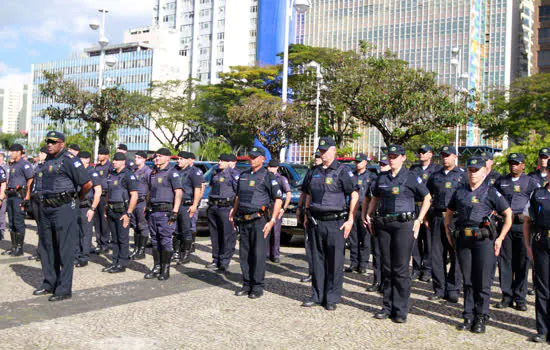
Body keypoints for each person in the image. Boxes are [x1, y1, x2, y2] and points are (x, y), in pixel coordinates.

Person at [366, 145, 431, 323]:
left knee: (401, 268)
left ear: (403, 158)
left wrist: (419, 220)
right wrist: (369, 213)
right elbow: (376, 197)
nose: (392, 159)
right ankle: (387, 306)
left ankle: (400, 310)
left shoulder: (410, 177)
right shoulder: (382, 177)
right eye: (390, 156)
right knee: (386, 267)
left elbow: (427, 197)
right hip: (384, 225)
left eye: (395, 156)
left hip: (404, 225)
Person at [446, 156, 512, 333]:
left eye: (476, 170)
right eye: (470, 170)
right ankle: (468, 315)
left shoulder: (491, 191)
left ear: (485, 171)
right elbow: (449, 213)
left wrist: (499, 239)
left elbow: (508, 214)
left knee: (482, 281)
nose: (473, 173)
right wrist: (448, 233)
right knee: (467, 280)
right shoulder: (460, 191)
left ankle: (481, 316)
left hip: (484, 241)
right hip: (463, 240)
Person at [33, 131, 92, 301]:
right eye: (48, 142)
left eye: (53, 142)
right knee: (46, 247)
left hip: (64, 208)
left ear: (62, 144)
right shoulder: (46, 161)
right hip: (46, 208)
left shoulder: (70, 160)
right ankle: (49, 282)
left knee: (65, 248)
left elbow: (87, 184)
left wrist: (76, 198)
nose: (49, 144)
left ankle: (64, 288)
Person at [301, 137, 358, 311]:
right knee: (317, 260)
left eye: (326, 150)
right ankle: (317, 295)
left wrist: (350, 219)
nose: (322, 154)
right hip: (316, 221)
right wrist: (305, 212)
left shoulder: (342, 171)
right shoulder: (314, 171)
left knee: (335, 261)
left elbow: (354, 194)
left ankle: (332, 297)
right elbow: (309, 193)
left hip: (335, 222)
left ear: (334, 151)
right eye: (321, 151)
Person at [229, 146, 283, 299]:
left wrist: (272, 220)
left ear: (263, 159)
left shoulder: (268, 176)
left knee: (258, 254)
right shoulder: (244, 175)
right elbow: (238, 196)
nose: (251, 159)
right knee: (245, 254)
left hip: (259, 220)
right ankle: (246, 284)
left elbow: (278, 199)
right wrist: (233, 212)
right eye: (250, 157)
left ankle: (257, 286)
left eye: (255, 157)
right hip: (244, 220)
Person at [493, 153, 538, 311]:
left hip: (521, 225)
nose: (513, 165)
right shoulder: (501, 181)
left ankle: (520, 297)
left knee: (522, 261)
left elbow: (537, 200)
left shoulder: (530, 182)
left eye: (517, 163)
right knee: (505, 261)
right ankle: (506, 295)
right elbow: (493, 198)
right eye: (511, 163)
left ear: (523, 165)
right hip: (505, 225)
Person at [425, 146, 466, 303]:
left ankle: (453, 287)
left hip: (456, 219)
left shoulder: (463, 176)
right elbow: (428, 196)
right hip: (437, 217)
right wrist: (426, 217)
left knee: (456, 254)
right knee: (437, 254)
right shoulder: (435, 176)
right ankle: (439, 288)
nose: (445, 158)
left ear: (455, 157)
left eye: (448, 155)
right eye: (443, 155)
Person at [145, 148, 182, 281]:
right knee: (155, 240)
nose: (156, 158)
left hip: (166, 212)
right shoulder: (153, 173)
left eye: (159, 156)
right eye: (156, 156)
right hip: (154, 212)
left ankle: (165, 269)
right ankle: (156, 267)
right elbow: (150, 191)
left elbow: (178, 193)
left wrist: (175, 212)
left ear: (168, 158)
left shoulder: (172, 173)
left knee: (165, 240)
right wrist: (147, 206)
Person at [523, 170, 550, 342]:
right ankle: (543, 329)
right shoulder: (537, 193)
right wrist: (528, 245)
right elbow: (527, 221)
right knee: (543, 287)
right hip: (542, 243)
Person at [409, 144, 441, 281]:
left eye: (424, 152)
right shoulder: (413, 169)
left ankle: (427, 269)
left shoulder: (436, 170)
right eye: (420, 152)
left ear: (431, 154)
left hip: (429, 207)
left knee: (428, 240)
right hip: (415, 207)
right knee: (415, 239)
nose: (421, 154)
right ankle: (416, 268)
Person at [102, 152, 138, 273]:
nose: (114, 162)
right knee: (114, 238)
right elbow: (108, 193)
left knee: (122, 238)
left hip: (122, 210)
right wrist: (106, 209)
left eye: (116, 160)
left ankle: (122, 263)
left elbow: (134, 195)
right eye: (113, 160)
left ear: (123, 162)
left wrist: (128, 213)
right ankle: (114, 262)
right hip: (112, 209)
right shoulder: (111, 174)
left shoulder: (128, 175)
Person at [207, 153, 239, 271]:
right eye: (219, 160)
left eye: (222, 161)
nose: (219, 162)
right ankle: (216, 259)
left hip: (226, 207)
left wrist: (234, 210)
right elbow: (211, 187)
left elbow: (238, 193)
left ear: (228, 162)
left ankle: (224, 261)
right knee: (215, 235)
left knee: (226, 235)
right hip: (214, 207)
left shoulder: (233, 174)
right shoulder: (215, 172)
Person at [296, 151, 323, 283]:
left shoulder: (330, 172)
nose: (317, 159)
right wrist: (299, 208)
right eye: (316, 157)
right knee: (310, 245)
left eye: (319, 156)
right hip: (310, 212)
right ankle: (312, 272)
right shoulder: (311, 172)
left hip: (325, 214)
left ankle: (323, 275)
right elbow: (304, 192)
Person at [346, 153, 375, 274]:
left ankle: (363, 264)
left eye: (360, 161)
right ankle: (354, 262)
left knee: (365, 238)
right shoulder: (351, 175)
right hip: (353, 209)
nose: (357, 164)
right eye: (356, 162)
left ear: (365, 163)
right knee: (353, 238)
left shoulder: (371, 176)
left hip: (365, 207)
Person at [3, 143, 34, 257]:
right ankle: (13, 246)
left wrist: (27, 197)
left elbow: (30, 180)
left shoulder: (24, 164)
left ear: (19, 152)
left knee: (18, 222)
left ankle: (19, 248)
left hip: (19, 196)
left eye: (13, 151)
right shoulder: (13, 165)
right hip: (11, 195)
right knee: (11, 222)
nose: (11, 153)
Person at [173, 151, 203, 265]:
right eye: (178, 158)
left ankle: (186, 254)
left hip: (187, 204)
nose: (178, 161)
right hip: (176, 204)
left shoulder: (193, 172)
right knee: (176, 230)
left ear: (187, 160)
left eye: (181, 159)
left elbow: (197, 189)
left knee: (186, 230)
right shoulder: (175, 170)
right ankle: (176, 252)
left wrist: (195, 205)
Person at [74, 151, 102, 268]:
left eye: (83, 158)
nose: (81, 161)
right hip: (76, 206)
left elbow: (98, 192)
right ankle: (76, 255)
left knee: (86, 233)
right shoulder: (77, 172)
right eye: (79, 158)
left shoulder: (92, 172)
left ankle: (84, 257)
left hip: (87, 206)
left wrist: (93, 208)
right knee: (76, 232)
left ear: (88, 160)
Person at [267, 159, 292, 263]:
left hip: (276, 206)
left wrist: (283, 208)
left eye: (272, 167)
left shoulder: (281, 179)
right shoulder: (265, 178)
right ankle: (266, 253)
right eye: (269, 167)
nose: (269, 169)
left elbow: (288, 193)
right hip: (266, 207)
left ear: (277, 167)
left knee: (275, 232)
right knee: (265, 231)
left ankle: (275, 254)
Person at [129, 151, 151, 260]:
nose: (136, 159)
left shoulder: (147, 172)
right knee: (135, 226)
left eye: (138, 157)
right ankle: (136, 249)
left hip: (142, 201)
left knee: (142, 226)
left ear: (144, 159)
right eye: (135, 157)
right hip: (134, 201)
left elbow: (151, 189)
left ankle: (142, 250)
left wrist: (147, 204)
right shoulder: (133, 171)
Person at [28, 147, 47, 261]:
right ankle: (40, 251)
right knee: (39, 226)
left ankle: (43, 252)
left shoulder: (49, 166)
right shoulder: (36, 166)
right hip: (35, 197)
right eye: (40, 152)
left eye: (43, 153)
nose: (40, 154)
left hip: (44, 198)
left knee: (44, 226)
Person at [94, 146, 112, 254]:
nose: (99, 156)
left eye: (101, 154)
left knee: (104, 221)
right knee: (97, 221)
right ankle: (99, 243)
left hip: (105, 196)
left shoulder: (110, 167)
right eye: (99, 153)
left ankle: (105, 244)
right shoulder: (96, 167)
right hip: (97, 196)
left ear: (106, 155)